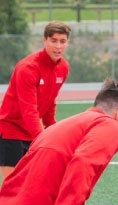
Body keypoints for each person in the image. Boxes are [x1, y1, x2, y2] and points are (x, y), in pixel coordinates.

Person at [0, 21, 71, 182]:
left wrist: (52, 128)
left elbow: (50, 100)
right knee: (12, 187)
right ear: (44, 40)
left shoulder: (63, 67)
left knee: (32, 186)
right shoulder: (27, 68)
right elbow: (29, 110)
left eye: (62, 41)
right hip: (11, 131)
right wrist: (43, 139)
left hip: (31, 133)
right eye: (53, 40)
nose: (58, 46)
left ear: (68, 42)